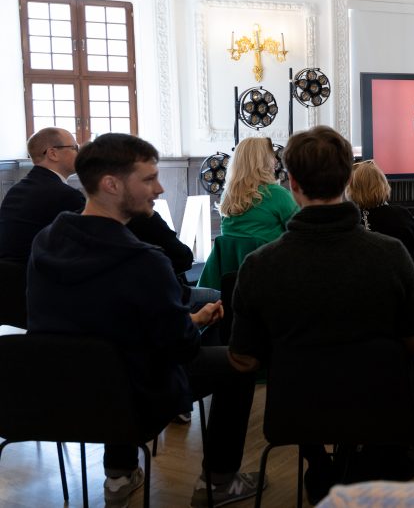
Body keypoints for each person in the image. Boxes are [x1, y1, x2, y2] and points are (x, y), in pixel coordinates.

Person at [26, 133, 259, 508]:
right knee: (238, 362)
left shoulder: (46, 240)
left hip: (59, 392)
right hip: (133, 394)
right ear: (111, 184)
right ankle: (219, 480)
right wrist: (195, 320)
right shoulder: (144, 261)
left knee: (116, 350)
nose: (160, 187)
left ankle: (119, 475)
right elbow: (180, 347)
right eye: (149, 178)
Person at [227, 126, 414, 504]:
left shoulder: (259, 266)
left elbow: (243, 358)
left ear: (292, 184)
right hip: (378, 404)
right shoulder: (391, 255)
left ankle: (319, 461)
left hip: (297, 409)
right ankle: (377, 456)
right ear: (347, 179)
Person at [198, 137, 299, 289]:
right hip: (271, 280)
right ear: (262, 161)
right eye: (272, 157)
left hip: (229, 285)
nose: (275, 162)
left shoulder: (228, 195)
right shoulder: (277, 195)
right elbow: (301, 231)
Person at [0, 127, 85, 263]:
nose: (79, 154)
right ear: (53, 153)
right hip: (38, 277)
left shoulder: (16, 189)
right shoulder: (66, 195)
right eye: (75, 148)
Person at [346, 160, 414, 271]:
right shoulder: (399, 214)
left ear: (351, 189)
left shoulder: (348, 221)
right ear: (383, 185)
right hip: (403, 279)